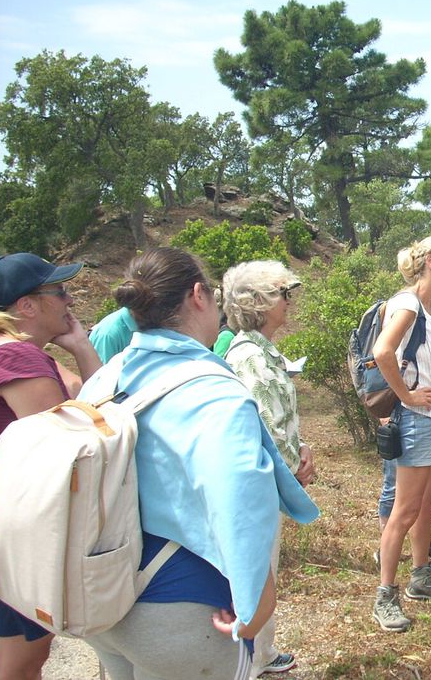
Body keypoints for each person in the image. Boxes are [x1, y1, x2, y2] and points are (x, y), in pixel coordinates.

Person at [77, 247, 318, 680]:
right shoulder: (215, 392)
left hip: (101, 595)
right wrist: (256, 606)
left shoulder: (106, 376)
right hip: (178, 609)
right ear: (199, 296)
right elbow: (240, 504)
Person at [0, 252, 101, 680]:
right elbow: (70, 447)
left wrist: (79, 347)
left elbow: (79, 396)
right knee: (22, 663)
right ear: (27, 306)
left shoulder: (8, 351)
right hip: (14, 538)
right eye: (59, 291)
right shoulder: (20, 359)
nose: (69, 299)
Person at [220, 260, 315, 677]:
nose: (289, 303)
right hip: (260, 485)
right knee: (258, 574)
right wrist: (294, 467)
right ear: (258, 303)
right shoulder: (251, 358)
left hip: (269, 480)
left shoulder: (260, 351)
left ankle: (259, 653)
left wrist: (302, 448)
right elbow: (266, 427)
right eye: (282, 294)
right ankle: (247, 660)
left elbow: (281, 421)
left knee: (265, 570)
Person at [372, 235, 431, 633]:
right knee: (405, 511)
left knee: (429, 503)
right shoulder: (408, 304)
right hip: (417, 420)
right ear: (430, 260)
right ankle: (384, 595)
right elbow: (382, 351)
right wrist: (406, 396)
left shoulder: (429, 309)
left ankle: (421, 578)